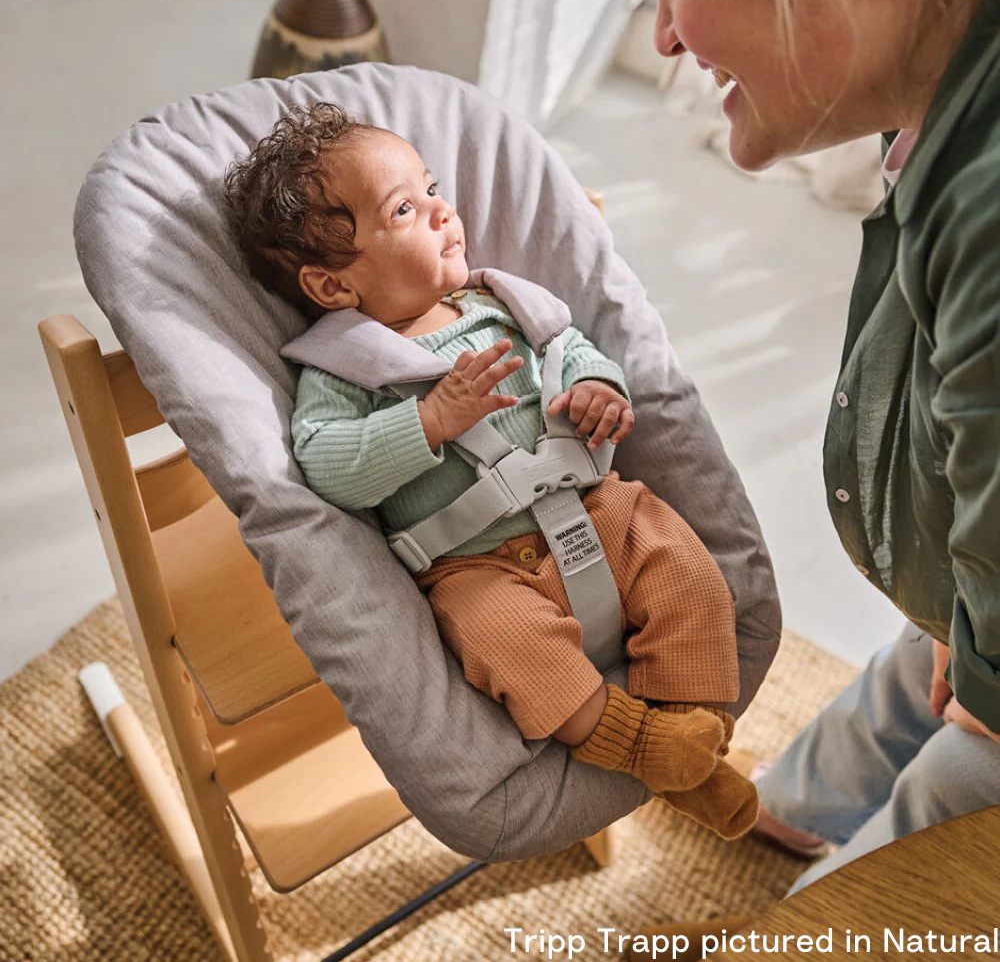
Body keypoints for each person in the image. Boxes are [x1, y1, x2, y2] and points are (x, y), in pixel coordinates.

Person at [223, 103, 760, 839]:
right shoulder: (341, 367)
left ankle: (690, 729)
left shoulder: (496, 300)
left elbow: (568, 348)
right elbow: (327, 468)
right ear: (333, 287)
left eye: (433, 187)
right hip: (479, 565)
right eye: (406, 208)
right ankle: (642, 745)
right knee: (510, 651)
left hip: (600, 510)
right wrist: (427, 422)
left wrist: (599, 388)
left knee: (689, 574)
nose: (443, 211)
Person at [631, 0, 1000, 951]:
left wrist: (989, 688)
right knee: (916, 666)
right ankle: (799, 806)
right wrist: (961, 624)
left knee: (967, 782)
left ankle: (826, 922)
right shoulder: (946, 98)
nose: (664, 33)